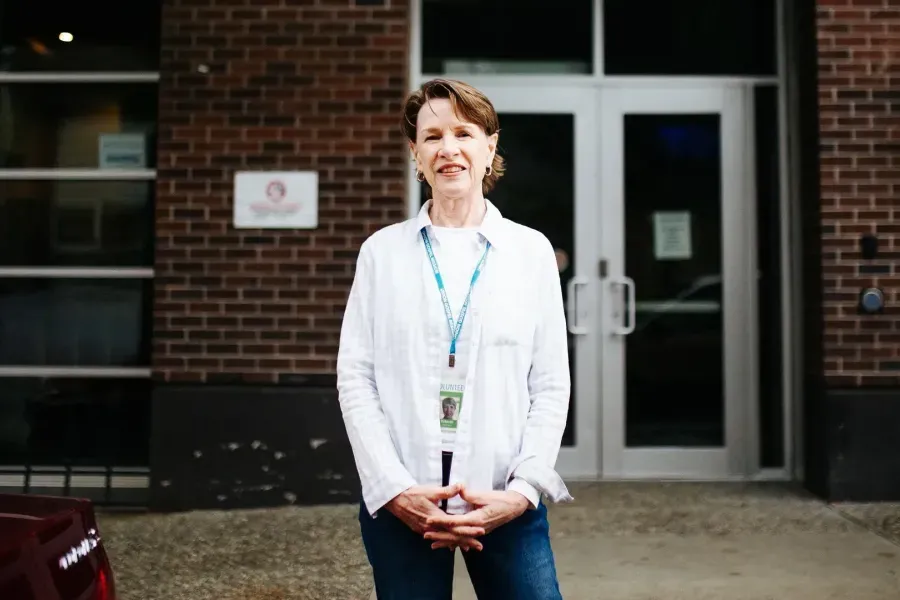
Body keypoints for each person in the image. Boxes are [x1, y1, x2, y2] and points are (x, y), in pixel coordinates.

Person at [336, 78, 573, 599]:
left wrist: (525, 490)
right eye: (432, 136)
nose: (448, 149)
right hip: (406, 498)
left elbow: (551, 384)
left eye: (463, 134)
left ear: (489, 148)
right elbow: (356, 378)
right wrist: (393, 489)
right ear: (415, 154)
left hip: (502, 493)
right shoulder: (382, 253)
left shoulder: (529, 252)